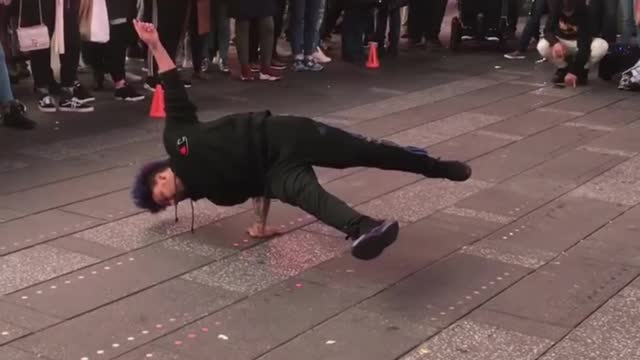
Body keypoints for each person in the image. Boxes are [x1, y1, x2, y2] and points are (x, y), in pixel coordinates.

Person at [130, 20, 473, 261]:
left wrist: (156, 46)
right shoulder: (214, 194)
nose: (171, 196)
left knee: (366, 151)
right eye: (167, 202)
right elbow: (256, 188)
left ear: (160, 173)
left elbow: (173, 87)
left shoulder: (177, 139)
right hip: (275, 176)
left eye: (163, 190)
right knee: (312, 199)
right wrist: (260, 225)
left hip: (283, 134)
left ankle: (432, 166)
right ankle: (367, 229)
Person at [537, 0, 608, 87]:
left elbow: (584, 45)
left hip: (579, 42)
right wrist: (555, 43)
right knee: (542, 46)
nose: (568, 15)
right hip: (562, 41)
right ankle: (563, 68)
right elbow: (547, 31)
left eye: (570, 12)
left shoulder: (585, 12)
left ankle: (582, 70)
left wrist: (574, 71)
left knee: (601, 46)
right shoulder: (556, 8)